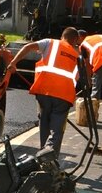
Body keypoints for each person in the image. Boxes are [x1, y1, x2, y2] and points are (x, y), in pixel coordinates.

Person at [8, 27, 81, 157]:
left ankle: (43, 156)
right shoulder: (76, 55)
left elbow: (28, 47)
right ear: (75, 40)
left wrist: (13, 63)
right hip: (64, 96)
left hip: (44, 91)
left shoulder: (50, 42)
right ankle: (50, 157)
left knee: (45, 124)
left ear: (62, 36)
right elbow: (78, 77)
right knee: (57, 130)